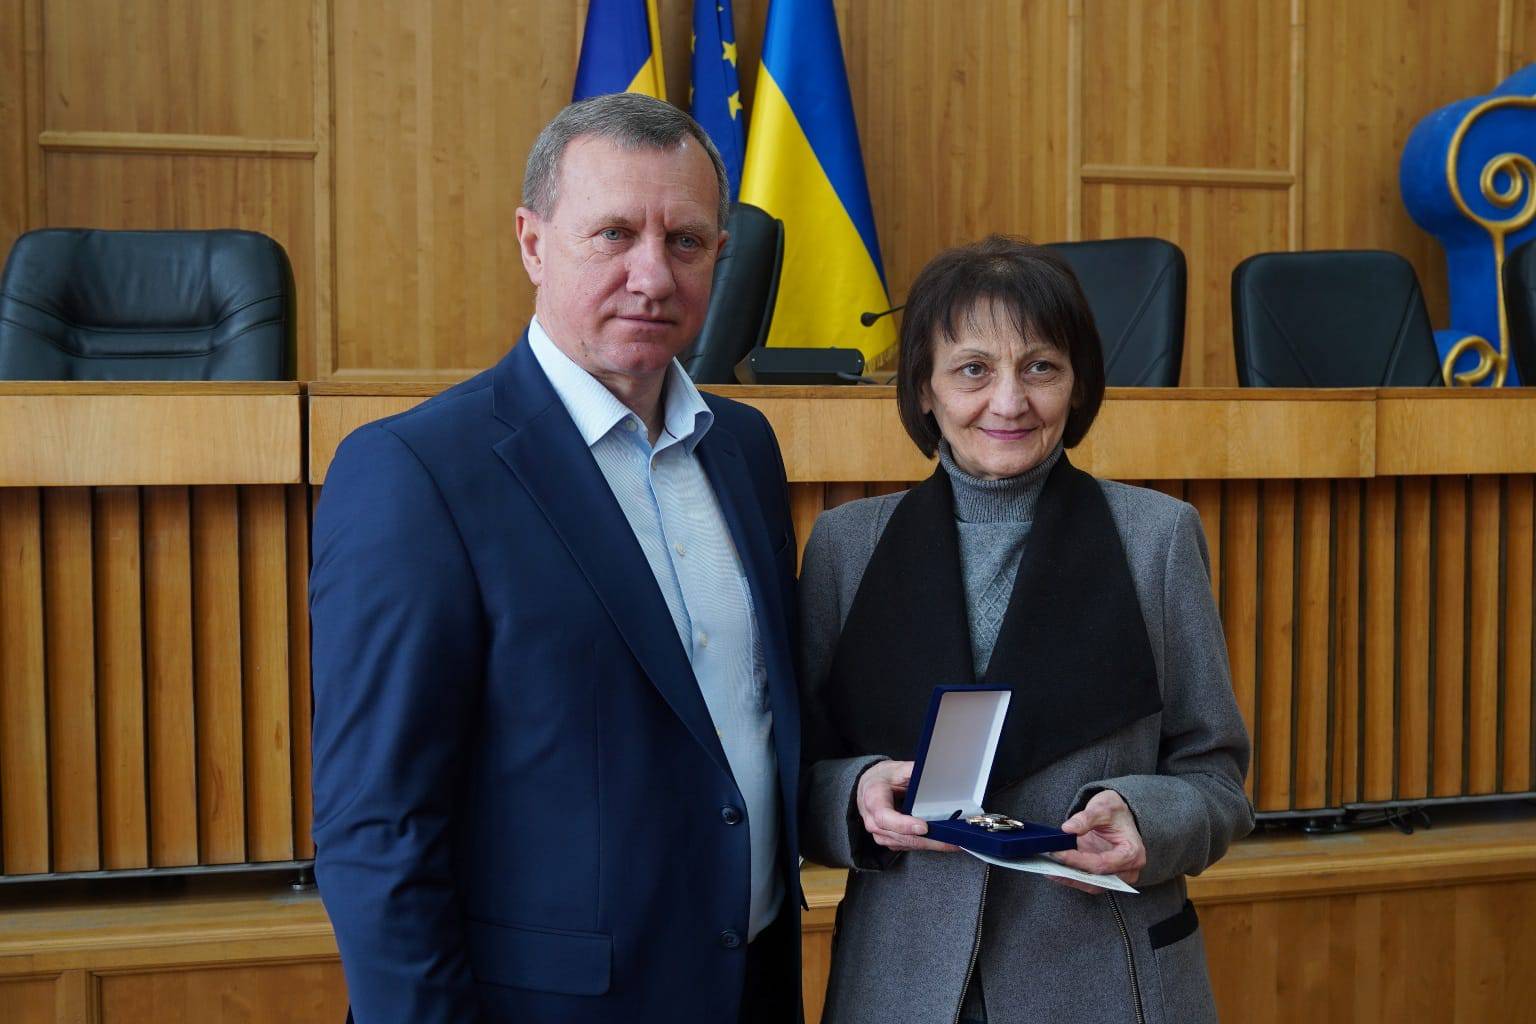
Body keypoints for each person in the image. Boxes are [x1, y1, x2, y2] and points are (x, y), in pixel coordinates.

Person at [309, 93, 802, 1024]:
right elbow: (377, 829)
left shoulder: (744, 449)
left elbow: (750, 731)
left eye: (686, 242)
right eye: (613, 234)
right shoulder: (414, 472)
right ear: (533, 243)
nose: (652, 276)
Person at [798, 235, 1253, 1024]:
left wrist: (1147, 819)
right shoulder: (845, 547)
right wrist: (856, 794)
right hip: (902, 985)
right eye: (973, 369)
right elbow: (794, 776)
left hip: (1103, 983)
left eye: (1040, 367)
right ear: (925, 388)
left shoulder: (1158, 538)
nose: (1009, 402)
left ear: (1078, 385)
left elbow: (1216, 782)